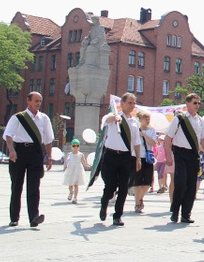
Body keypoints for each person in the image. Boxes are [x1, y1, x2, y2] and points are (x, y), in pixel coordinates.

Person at [3, 91, 54, 227]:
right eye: (36, 101)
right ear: (28, 101)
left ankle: (34, 217)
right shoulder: (18, 118)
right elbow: (8, 135)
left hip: (35, 153)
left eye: (40, 101)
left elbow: (48, 140)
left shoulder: (44, 119)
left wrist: (49, 157)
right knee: (17, 186)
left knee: (34, 186)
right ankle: (14, 217)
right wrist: (12, 150)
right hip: (19, 152)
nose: (38, 104)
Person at [164, 93, 204, 224]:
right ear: (187, 104)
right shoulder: (179, 119)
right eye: (194, 103)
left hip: (193, 154)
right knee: (180, 183)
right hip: (180, 153)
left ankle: (186, 214)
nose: (197, 105)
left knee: (191, 185)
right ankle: (175, 211)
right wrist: (168, 155)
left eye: (199, 103)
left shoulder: (200, 121)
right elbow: (168, 138)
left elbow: (203, 139)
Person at [99, 92, 142, 226]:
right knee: (110, 186)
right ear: (121, 104)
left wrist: (138, 158)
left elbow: (136, 141)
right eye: (129, 103)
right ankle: (104, 203)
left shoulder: (134, 122)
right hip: (111, 156)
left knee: (123, 187)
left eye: (134, 103)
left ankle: (117, 215)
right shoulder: (115, 118)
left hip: (125, 157)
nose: (132, 105)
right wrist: (114, 116)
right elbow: (106, 121)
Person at [132, 110, 157, 213]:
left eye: (148, 119)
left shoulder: (151, 130)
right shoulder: (135, 130)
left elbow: (154, 143)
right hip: (137, 156)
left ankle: (140, 198)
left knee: (147, 182)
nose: (147, 121)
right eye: (145, 119)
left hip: (148, 157)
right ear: (140, 120)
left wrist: (144, 135)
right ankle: (137, 203)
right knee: (137, 182)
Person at [63, 139, 91, 204]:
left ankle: (75, 197)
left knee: (76, 184)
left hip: (78, 170)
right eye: (74, 146)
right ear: (71, 147)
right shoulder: (69, 154)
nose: (76, 147)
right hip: (71, 170)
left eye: (77, 146)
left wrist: (87, 165)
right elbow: (66, 161)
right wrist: (65, 166)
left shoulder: (81, 154)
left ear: (79, 147)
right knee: (70, 184)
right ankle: (71, 192)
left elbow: (84, 162)